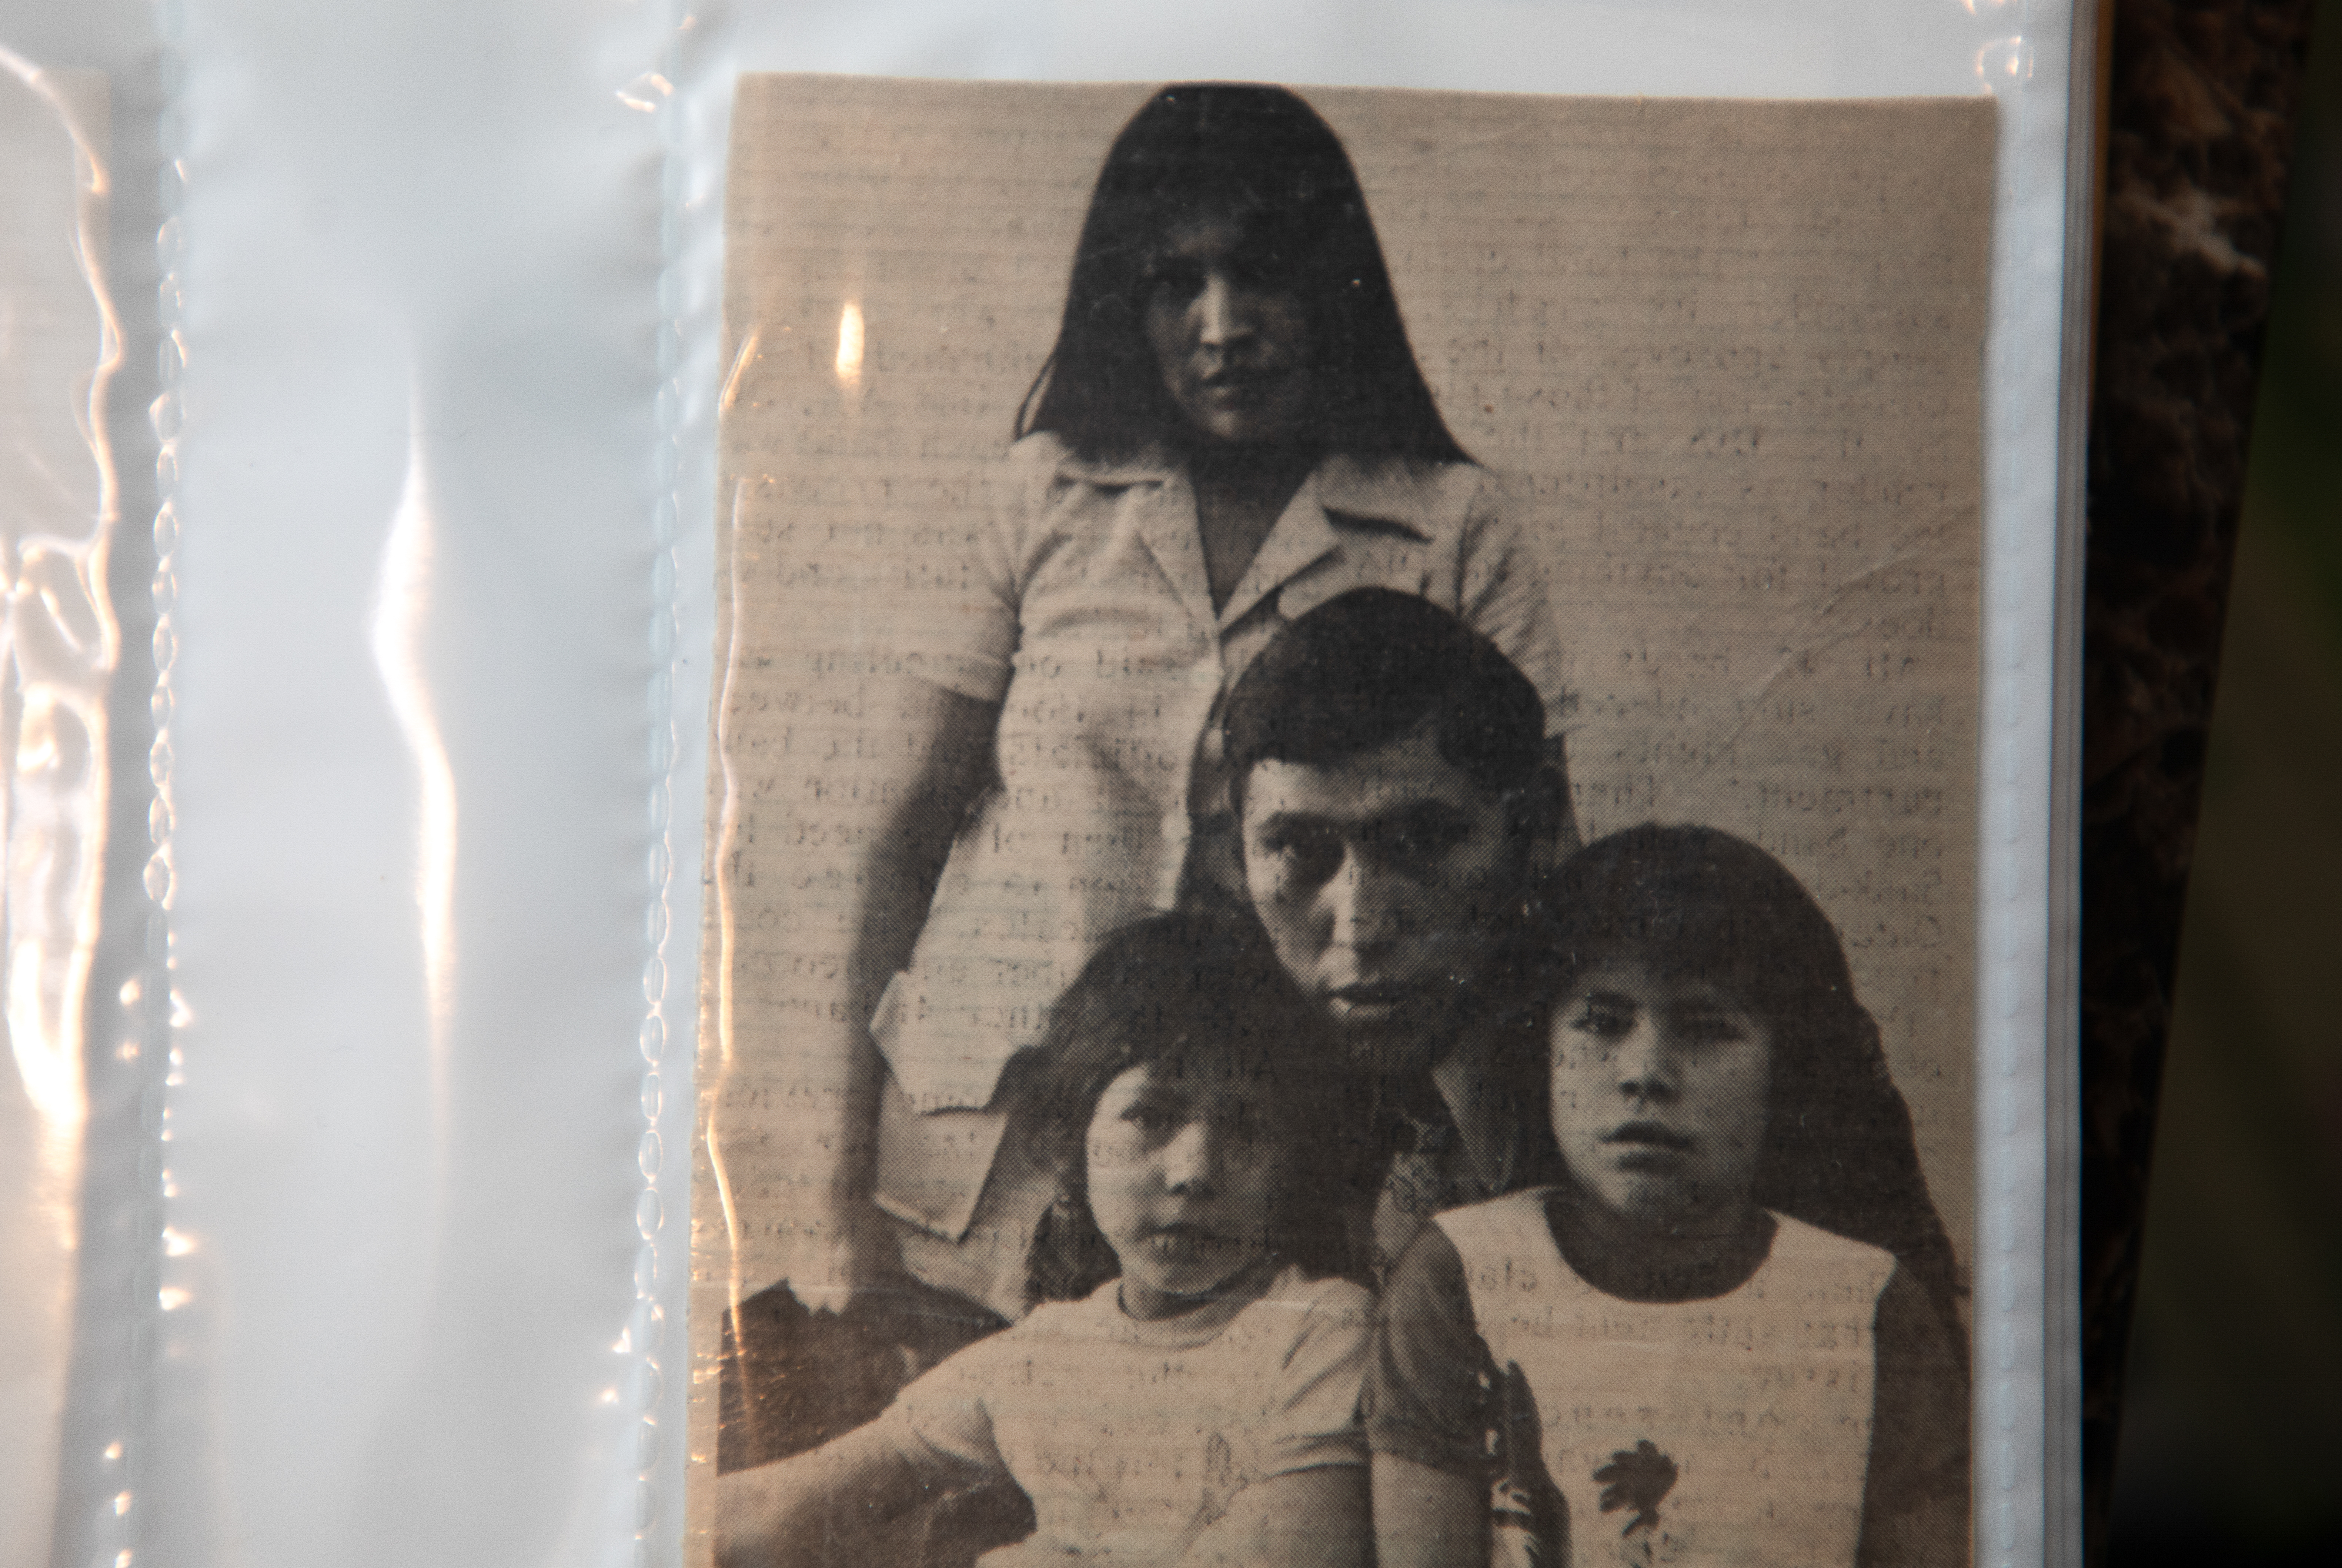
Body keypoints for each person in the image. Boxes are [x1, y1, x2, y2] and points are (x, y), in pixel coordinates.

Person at [716, 83, 1570, 1464]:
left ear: (1338, 277)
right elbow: (893, 844)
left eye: (1263, 272)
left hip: (1270, 1165)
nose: (1222, 325)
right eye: (1177, 282)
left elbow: (1537, 870)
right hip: (977, 1167)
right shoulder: (1042, 496)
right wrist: (831, 1202)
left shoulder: (1451, 524)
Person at [1367, 826, 1970, 1568]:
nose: (1646, 1071)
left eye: (1707, 1028)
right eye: (1602, 1023)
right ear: (1541, 1048)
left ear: (1786, 1067)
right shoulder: (1459, 1278)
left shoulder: (1872, 1309)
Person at [715, 913, 1374, 1568]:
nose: (1194, 1171)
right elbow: (774, 1505)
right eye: (1151, 1115)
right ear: (1075, 1137)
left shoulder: (1317, 1331)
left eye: (1246, 1129)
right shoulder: (1045, 1353)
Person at [1222, 587, 1566, 1280]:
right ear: (1238, 855)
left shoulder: (1660, 1078)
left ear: (1534, 829)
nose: (1362, 926)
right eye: (1300, 849)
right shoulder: (1181, 1117)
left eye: (1420, 841)